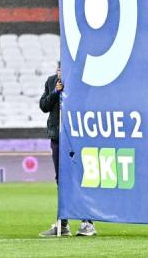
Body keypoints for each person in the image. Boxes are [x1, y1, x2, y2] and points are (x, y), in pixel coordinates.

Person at [38, 62, 97, 238]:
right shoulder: (51, 82)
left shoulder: (81, 83)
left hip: (77, 137)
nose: (60, 73)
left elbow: (86, 104)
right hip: (58, 136)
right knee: (61, 180)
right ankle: (62, 222)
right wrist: (56, 92)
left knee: (80, 178)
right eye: (58, 69)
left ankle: (87, 222)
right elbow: (43, 106)